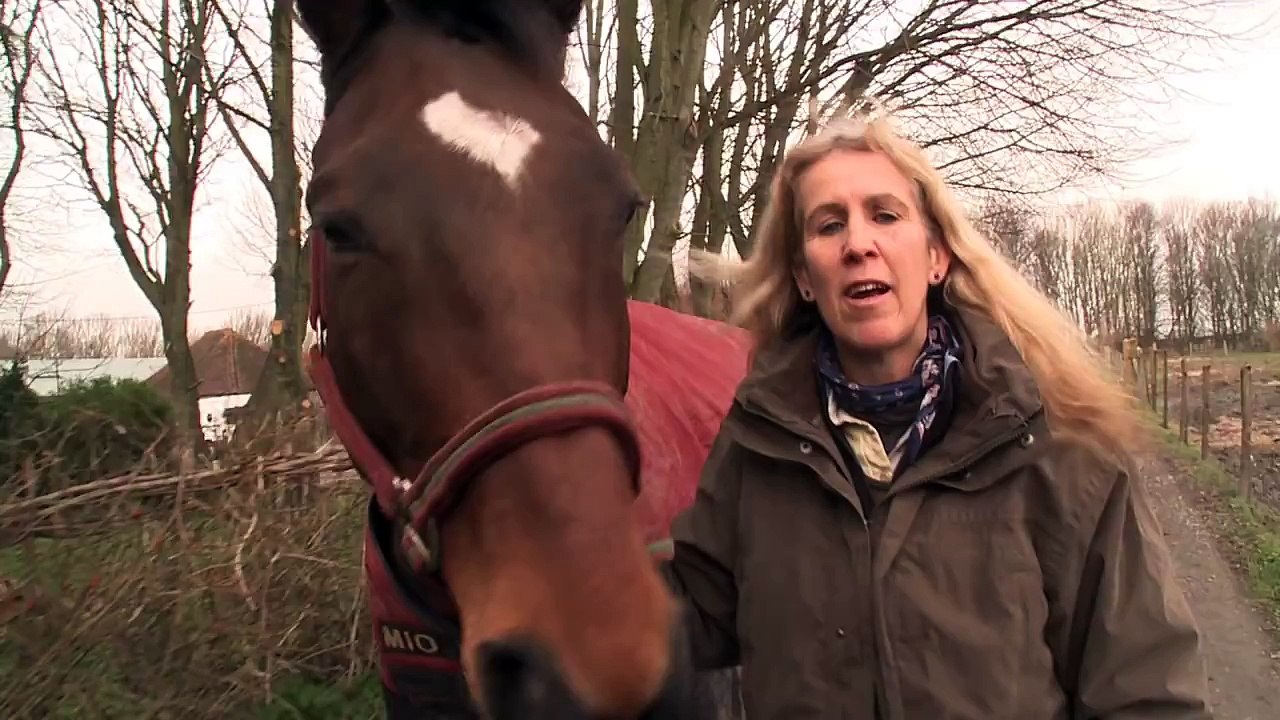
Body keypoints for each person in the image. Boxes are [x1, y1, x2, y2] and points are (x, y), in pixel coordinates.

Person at [662, 110, 1213, 719]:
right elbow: (679, 621)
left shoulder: (1054, 447)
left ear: (935, 258)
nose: (858, 244)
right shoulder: (758, 442)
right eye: (829, 225)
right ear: (804, 279)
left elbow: (1147, 693)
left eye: (885, 215)